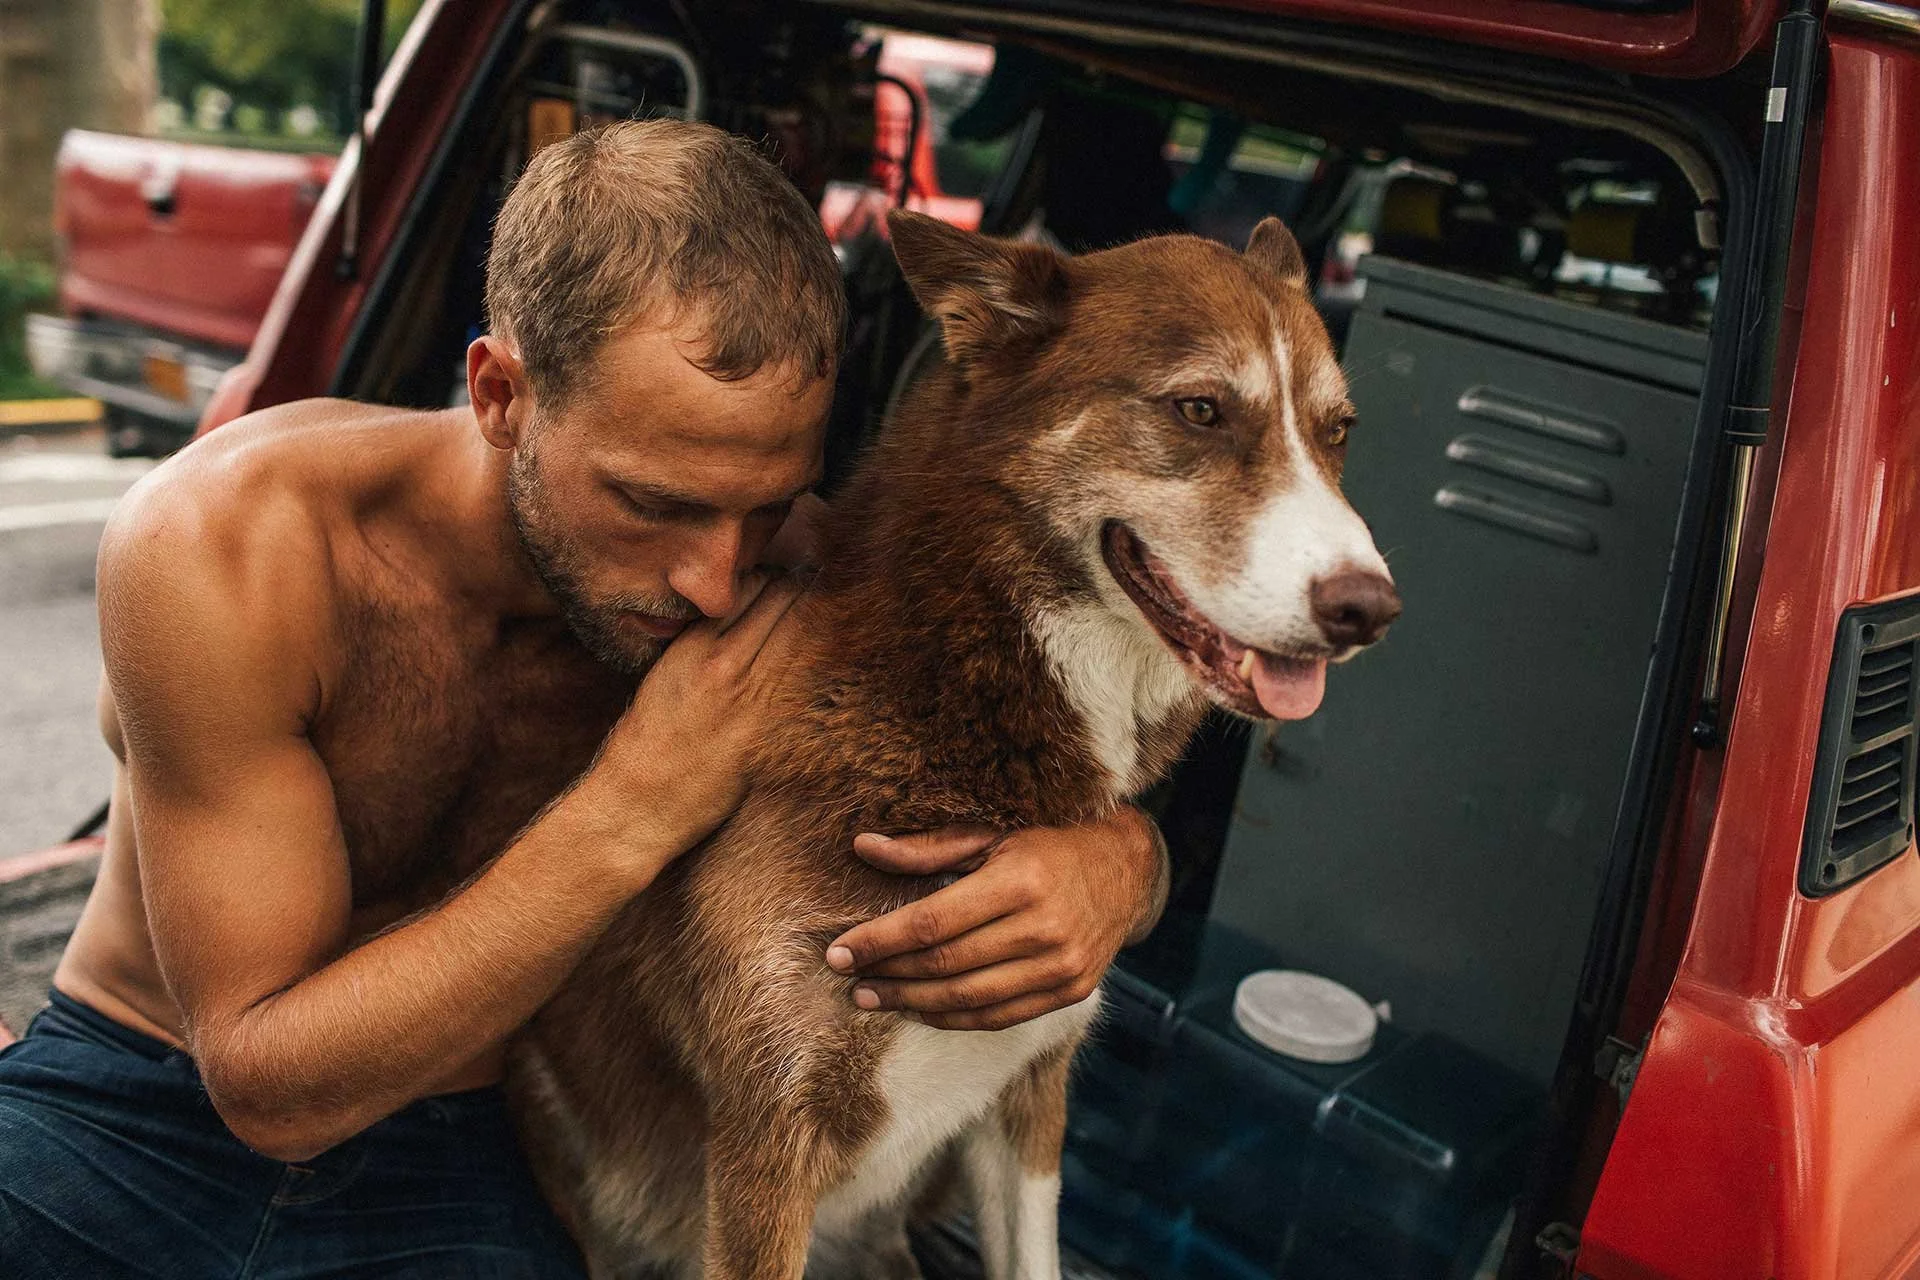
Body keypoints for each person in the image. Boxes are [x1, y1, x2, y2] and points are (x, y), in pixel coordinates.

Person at [0, 119, 1169, 1277]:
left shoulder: (797, 573)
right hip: (134, 1098)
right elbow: (266, 1086)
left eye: (763, 504)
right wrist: (637, 800)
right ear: (502, 392)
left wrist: (1120, 863)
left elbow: (1044, 731)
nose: (717, 579)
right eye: (652, 502)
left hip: (461, 1141)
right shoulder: (230, 549)